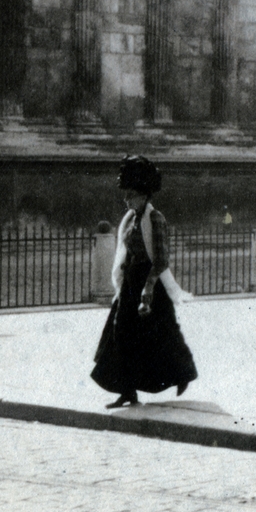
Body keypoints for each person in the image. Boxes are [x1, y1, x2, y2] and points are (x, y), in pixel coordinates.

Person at [91, 155, 198, 408]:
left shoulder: (155, 219)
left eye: (131, 196)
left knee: (164, 333)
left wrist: (148, 288)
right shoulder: (130, 220)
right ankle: (127, 390)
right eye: (126, 195)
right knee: (120, 333)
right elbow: (126, 252)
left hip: (150, 283)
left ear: (144, 196)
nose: (126, 200)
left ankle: (182, 373)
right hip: (130, 282)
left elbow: (161, 260)